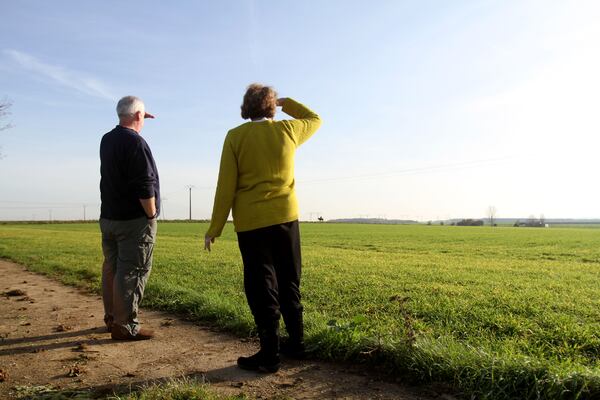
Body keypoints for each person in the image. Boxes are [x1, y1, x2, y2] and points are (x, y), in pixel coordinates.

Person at [204, 83, 322, 372]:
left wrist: (214, 228)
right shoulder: (288, 131)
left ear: (247, 106)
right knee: (289, 281)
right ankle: (297, 344)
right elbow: (315, 119)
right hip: (286, 218)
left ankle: (270, 355)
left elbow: (226, 187)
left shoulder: (235, 137)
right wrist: (287, 103)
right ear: (271, 106)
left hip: (252, 223)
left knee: (262, 287)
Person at [99, 95, 160, 341]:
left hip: (109, 217)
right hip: (133, 220)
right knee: (133, 270)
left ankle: (112, 318)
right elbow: (144, 183)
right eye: (142, 116)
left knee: (112, 268)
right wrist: (151, 213)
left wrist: (137, 113)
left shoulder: (108, 139)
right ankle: (126, 326)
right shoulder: (136, 143)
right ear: (137, 116)